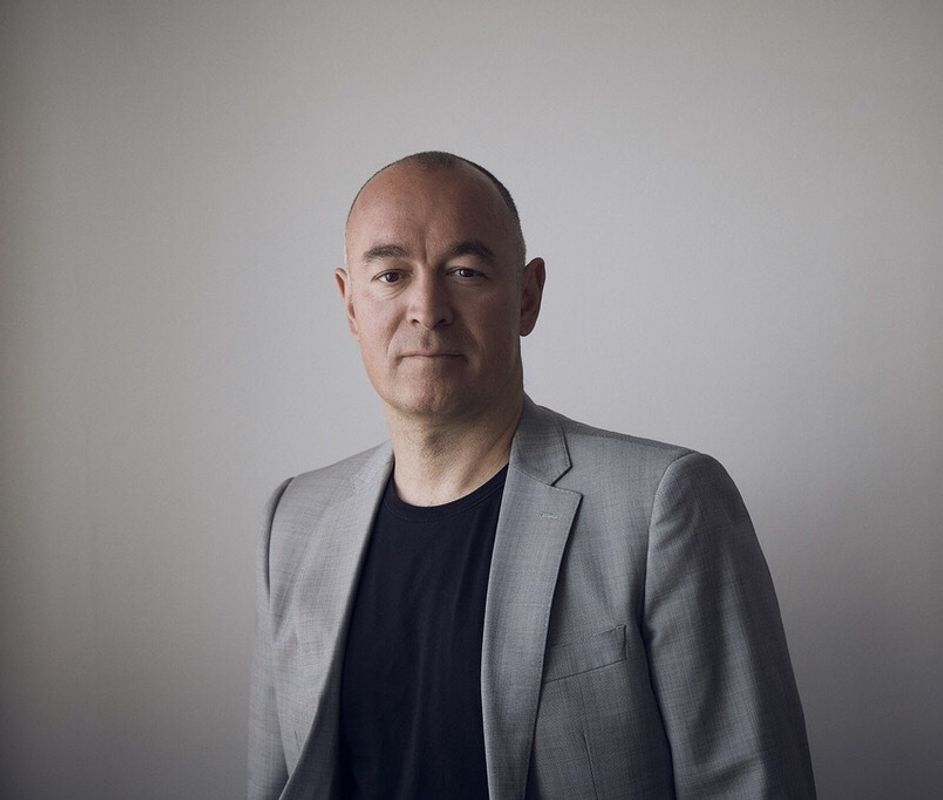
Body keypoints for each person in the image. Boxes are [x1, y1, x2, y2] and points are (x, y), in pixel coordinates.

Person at [248, 151, 817, 799]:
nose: (427, 308)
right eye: (390, 275)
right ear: (351, 305)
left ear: (527, 296)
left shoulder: (665, 504)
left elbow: (748, 784)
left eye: (464, 272)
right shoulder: (293, 520)